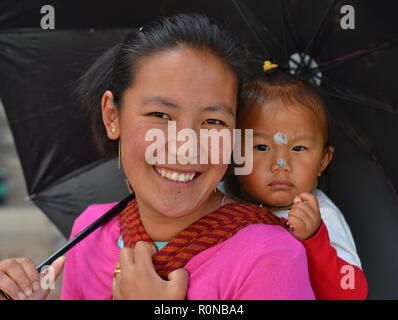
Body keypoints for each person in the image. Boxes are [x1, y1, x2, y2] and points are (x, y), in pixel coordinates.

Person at [0, 14, 314, 300]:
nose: (186, 146)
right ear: (113, 115)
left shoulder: (270, 257)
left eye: (213, 121)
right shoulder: (91, 232)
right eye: (160, 114)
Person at [223, 64, 368, 299]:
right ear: (234, 152)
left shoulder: (321, 216)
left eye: (298, 148)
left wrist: (315, 242)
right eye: (261, 147)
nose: (281, 164)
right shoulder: (214, 201)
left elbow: (353, 292)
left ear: (323, 160)